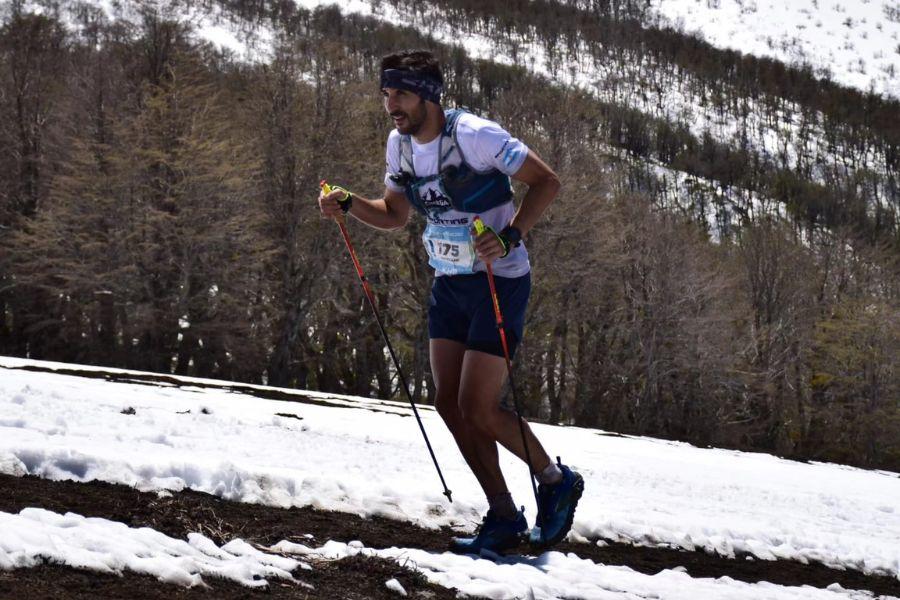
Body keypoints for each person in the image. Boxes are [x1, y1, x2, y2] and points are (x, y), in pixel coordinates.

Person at [318, 49, 583, 554]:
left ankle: (554, 480)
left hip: (499, 281)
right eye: (386, 94)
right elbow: (395, 214)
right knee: (448, 403)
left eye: (401, 94)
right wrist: (349, 204)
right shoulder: (398, 146)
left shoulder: (475, 135)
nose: (391, 105)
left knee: (478, 406)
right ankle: (503, 514)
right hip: (450, 282)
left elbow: (547, 181)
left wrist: (512, 235)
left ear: (429, 95)